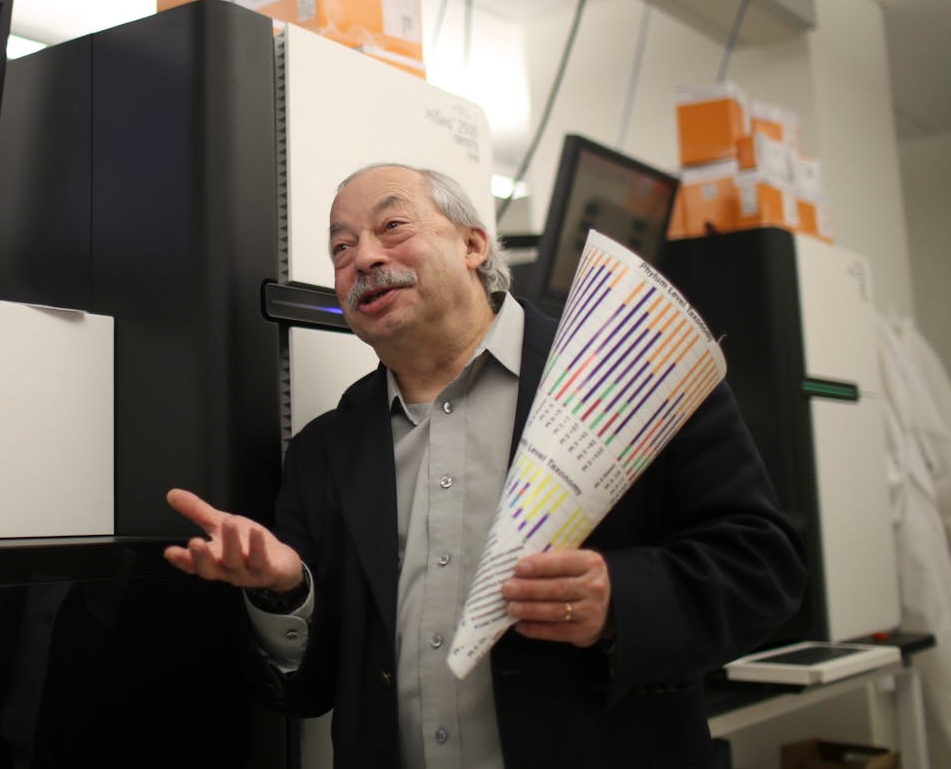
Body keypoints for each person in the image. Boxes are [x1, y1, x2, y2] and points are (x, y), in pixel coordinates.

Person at [165, 163, 806, 769]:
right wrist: (283, 592)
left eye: (392, 227)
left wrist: (621, 599)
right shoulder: (324, 451)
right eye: (340, 248)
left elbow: (762, 565)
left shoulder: (626, 374)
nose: (362, 258)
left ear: (474, 245)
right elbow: (310, 691)